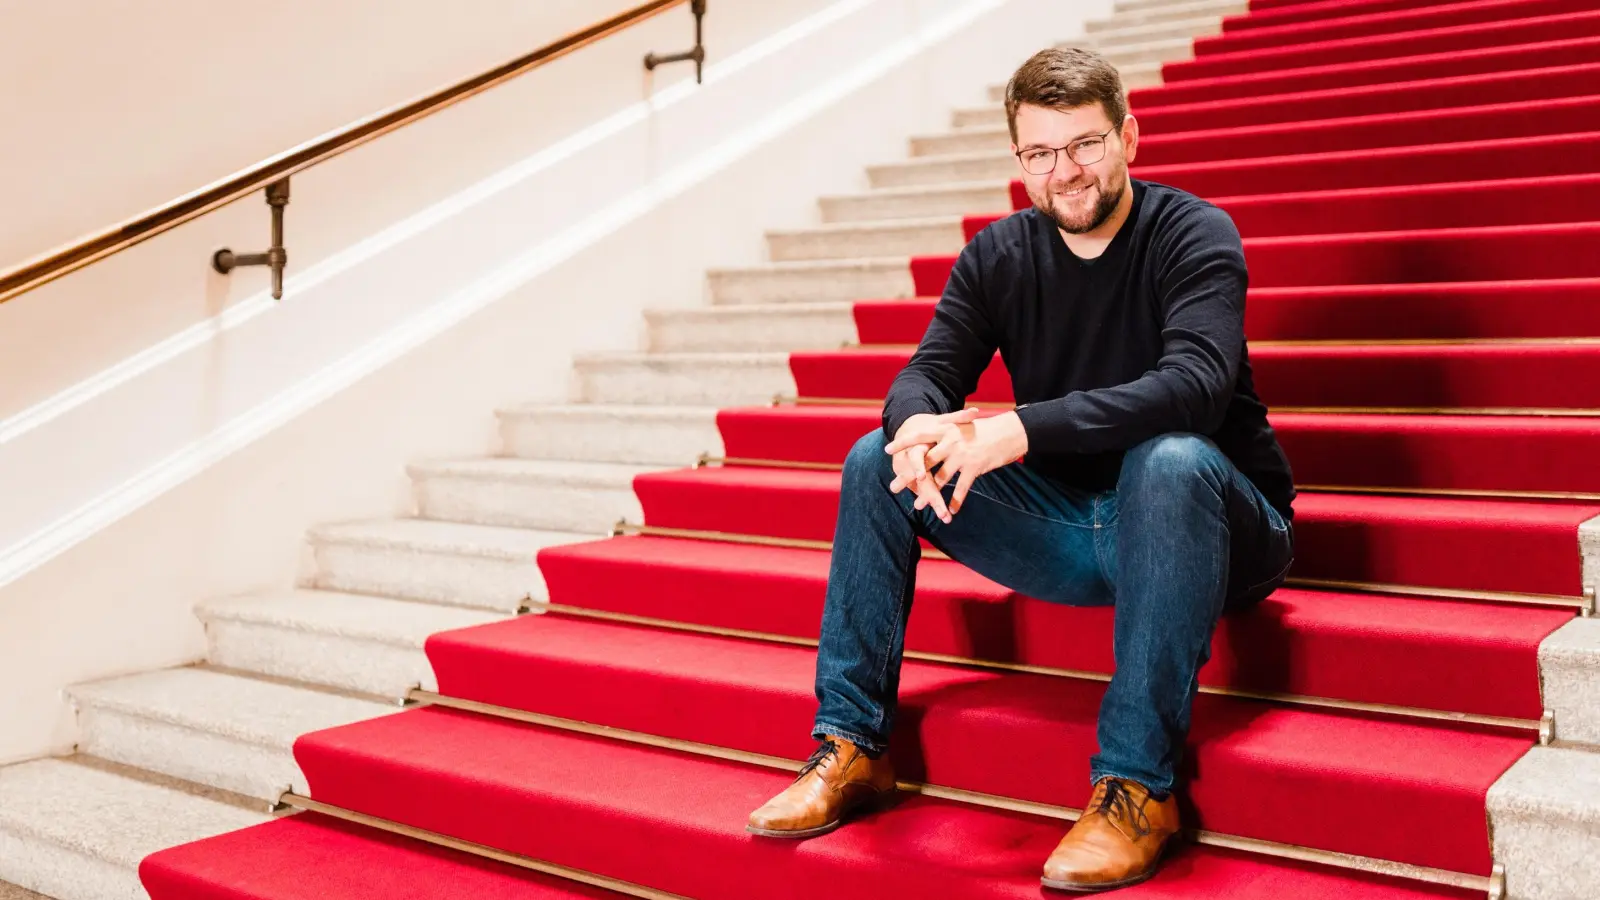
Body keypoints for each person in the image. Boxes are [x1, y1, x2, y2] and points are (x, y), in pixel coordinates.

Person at [744, 45, 1297, 892]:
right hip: (1084, 526)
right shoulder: (998, 256)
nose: (1064, 172)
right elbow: (926, 373)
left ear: (1128, 138)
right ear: (1019, 160)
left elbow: (1193, 387)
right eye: (1041, 153)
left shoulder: (1192, 233)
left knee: (1171, 458)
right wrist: (920, 424)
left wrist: (1019, 430)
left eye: (1084, 145)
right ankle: (853, 746)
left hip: (1217, 525)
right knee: (875, 460)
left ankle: (1136, 791)